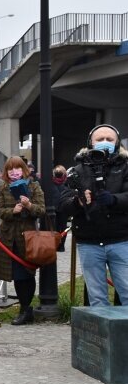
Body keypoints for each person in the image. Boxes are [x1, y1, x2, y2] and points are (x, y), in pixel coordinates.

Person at [58, 124, 128, 307]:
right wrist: (78, 202)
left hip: (121, 240)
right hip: (89, 242)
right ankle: (102, 335)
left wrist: (114, 200)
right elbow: (63, 204)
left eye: (109, 139)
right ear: (91, 142)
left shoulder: (125, 166)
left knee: (127, 292)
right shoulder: (77, 170)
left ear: (117, 142)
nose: (104, 143)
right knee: (97, 298)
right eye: (100, 139)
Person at [0, 157, 45, 325]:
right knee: (16, 275)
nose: (14, 172)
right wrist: (12, 210)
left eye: (18, 169)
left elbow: (41, 210)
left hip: (27, 237)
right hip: (8, 238)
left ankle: (26, 308)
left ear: (24, 170)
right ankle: (25, 308)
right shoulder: (3, 188)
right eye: (10, 169)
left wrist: (28, 205)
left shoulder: (34, 186)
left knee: (26, 274)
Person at [50, 164, 69, 251]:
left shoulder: (67, 182)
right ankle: (56, 244)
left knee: (63, 227)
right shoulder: (51, 182)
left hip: (64, 209)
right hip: (54, 209)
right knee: (55, 227)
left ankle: (62, 245)